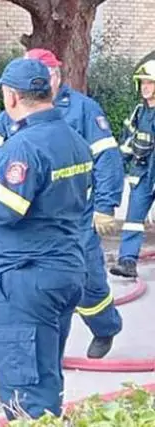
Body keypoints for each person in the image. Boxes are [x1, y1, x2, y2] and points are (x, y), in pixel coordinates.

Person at [0, 58, 93, 420]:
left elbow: (4, 207)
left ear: (11, 97)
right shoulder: (73, 140)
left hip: (26, 279)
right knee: (45, 372)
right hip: (64, 270)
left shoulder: (22, 148)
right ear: (48, 91)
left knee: (25, 389)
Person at [0, 48, 124, 359]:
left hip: (75, 213)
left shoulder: (83, 109)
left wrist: (105, 205)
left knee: (88, 279)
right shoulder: (18, 111)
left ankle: (104, 327)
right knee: (49, 281)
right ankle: (44, 348)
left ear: (54, 76)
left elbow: (107, 158)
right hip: (39, 215)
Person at [109, 59, 155, 278]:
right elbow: (126, 142)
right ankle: (127, 262)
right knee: (133, 220)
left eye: (150, 82)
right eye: (143, 83)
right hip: (142, 175)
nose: (145, 87)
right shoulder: (138, 112)